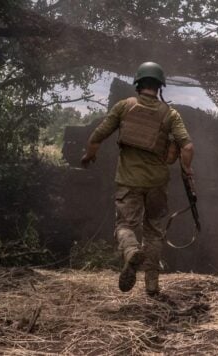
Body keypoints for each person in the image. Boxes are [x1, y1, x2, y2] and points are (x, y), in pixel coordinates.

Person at [81, 62, 194, 296]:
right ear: (160, 87)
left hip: (129, 181)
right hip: (157, 184)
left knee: (124, 226)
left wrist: (89, 156)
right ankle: (152, 286)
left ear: (138, 84)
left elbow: (97, 136)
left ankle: (131, 251)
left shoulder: (124, 107)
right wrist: (187, 168)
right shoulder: (170, 114)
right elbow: (188, 146)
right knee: (153, 232)